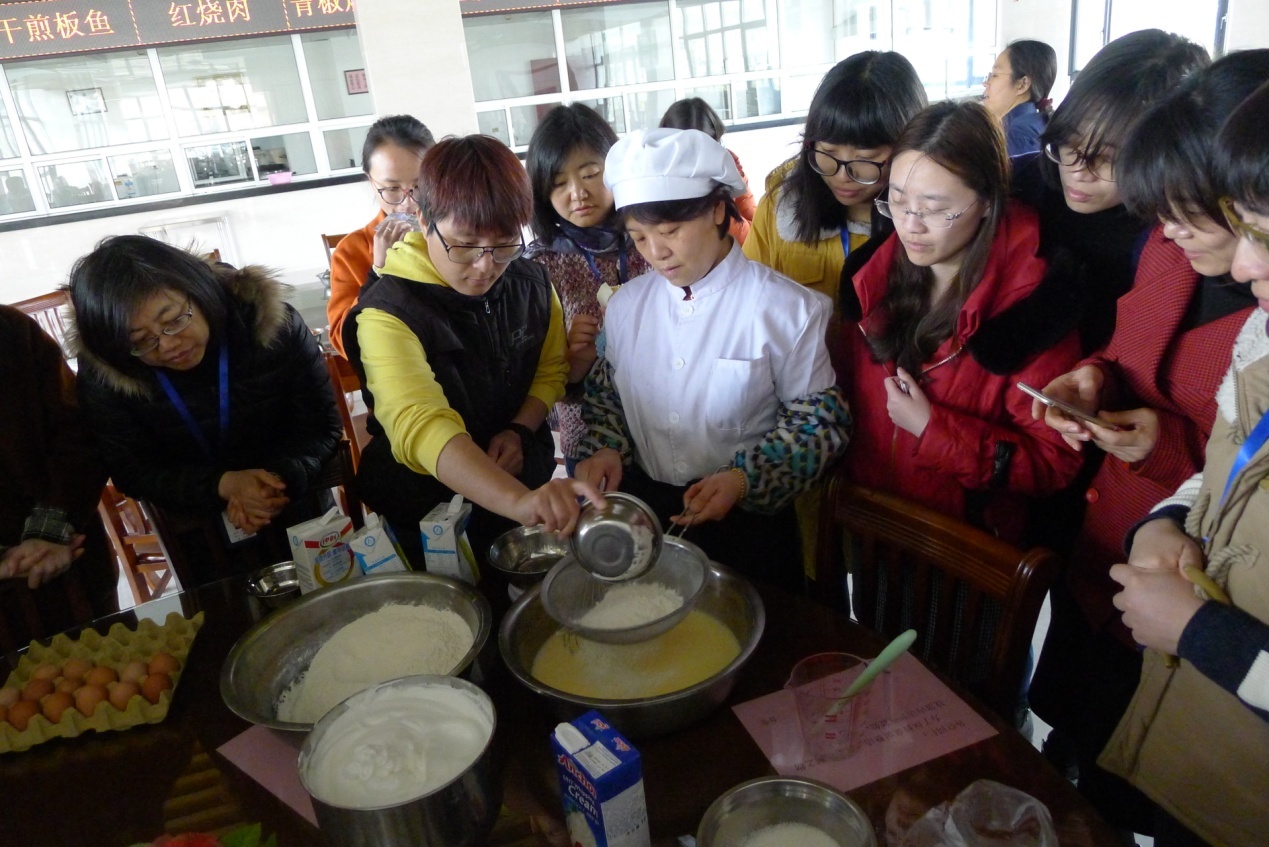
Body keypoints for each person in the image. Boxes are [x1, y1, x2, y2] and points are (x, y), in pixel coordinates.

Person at [1026, 51, 1268, 835]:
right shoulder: (1166, 250)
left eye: (1188, 212)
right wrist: (1091, 379)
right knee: (1069, 742)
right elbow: (1129, 353)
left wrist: (1164, 451)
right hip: (1114, 549)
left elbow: (1236, 469)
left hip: (1194, 614)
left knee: (1132, 790)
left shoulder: (1257, 311)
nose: (1166, 228)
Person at [1097, 80, 1269, 847]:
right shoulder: (1261, 335)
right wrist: (1164, 521)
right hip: (1197, 740)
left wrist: (1200, 633)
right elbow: (1227, 466)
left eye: (1260, 234)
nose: (1246, 265)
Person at [575, 128, 850, 591]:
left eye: (670, 231)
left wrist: (743, 480)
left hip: (748, 525)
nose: (657, 252)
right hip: (649, 517)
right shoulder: (626, 307)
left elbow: (819, 425)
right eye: (639, 237)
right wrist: (605, 447)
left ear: (718, 211)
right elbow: (607, 400)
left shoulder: (790, 310)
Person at [342, 135, 602, 570]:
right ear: (423, 219)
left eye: (504, 244)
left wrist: (520, 429)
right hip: (428, 512)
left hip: (521, 482)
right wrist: (518, 501)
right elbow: (419, 423)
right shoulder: (387, 312)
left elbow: (549, 371)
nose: (485, 266)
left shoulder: (532, 283)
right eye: (464, 244)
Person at [839, 100, 1082, 544]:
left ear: (987, 201)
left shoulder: (1031, 312)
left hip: (961, 550)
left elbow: (1053, 461)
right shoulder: (871, 281)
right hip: (871, 526)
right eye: (897, 201)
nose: (911, 226)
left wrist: (933, 430)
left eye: (934, 209)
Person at [70, 236, 343, 584]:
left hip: (302, 510)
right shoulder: (109, 372)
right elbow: (132, 468)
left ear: (198, 291)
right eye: (141, 341)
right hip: (198, 533)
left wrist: (275, 480)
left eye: (174, 320)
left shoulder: (270, 325)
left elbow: (321, 426)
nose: (169, 345)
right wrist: (224, 484)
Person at [1006, 29, 1210, 357]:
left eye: (1108, 159)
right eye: (1068, 143)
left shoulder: (1175, 243)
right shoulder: (1018, 184)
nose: (1077, 171)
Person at [524, 104, 651, 474]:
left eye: (591, 174)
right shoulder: (540, 266)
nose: (577, 193)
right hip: (590, 439)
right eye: (559, 183)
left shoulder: (651, 239)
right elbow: (537, 385)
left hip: (668, 424)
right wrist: (572, 364)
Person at [744, 51, 927, 307]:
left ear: (908, 146)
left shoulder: (930, 220)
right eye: (828, 152)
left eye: (865, 158)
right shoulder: (780, 206)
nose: (842, 176)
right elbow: (749, 300)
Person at [0, 305, 116, 643]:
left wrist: (48, 531)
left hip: (70, 560)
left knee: (115, 658)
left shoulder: (12, 331)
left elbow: (77, 434)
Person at [326, 115, 435, 356]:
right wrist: (379, 273)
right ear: (371, 181)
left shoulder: (459, 237)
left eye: (420, 186)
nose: (408, 203)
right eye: (392, 188)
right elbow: (344, 341)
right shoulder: (352, 251)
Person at [659, 97, 756, 244]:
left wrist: (725, 214)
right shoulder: (655, 185)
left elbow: (755, 232)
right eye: (686, 152)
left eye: (703, 149)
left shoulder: (730, 168)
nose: (695, 163)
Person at [981, 39, 1057, 158]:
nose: (985, 83)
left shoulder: (1018, 133)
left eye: (995, 75)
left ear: (1022, 84)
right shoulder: (1034, 122)